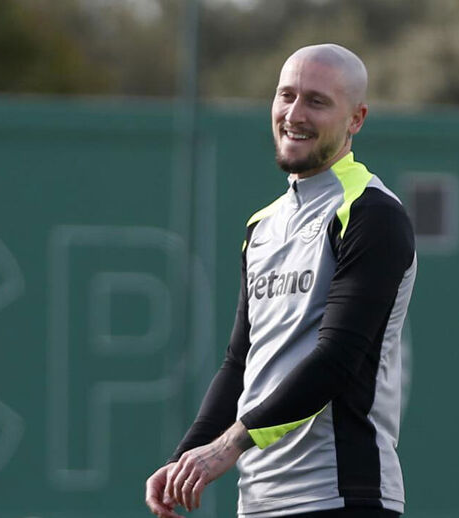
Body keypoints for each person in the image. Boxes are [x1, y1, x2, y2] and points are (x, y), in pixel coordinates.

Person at [144, 44, 417, 518]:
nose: (294, 113)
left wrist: (229, 445)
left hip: (343, 497)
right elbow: (239, 365)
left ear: (356, 119)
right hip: (260, 501)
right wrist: (183, 460)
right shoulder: (262, 226)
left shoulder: (372, 213)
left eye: (316, 101)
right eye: (286, 95)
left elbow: (336, 360)